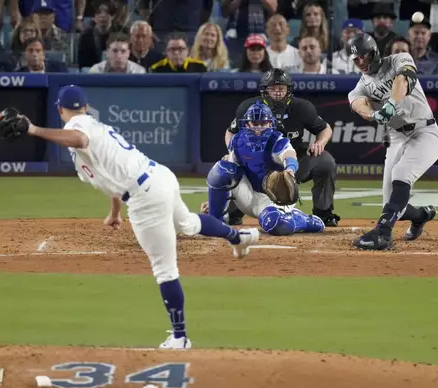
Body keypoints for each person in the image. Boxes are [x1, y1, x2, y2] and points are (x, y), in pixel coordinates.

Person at [20, 85, 260, 348]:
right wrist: (114, 213)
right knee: (189, 224)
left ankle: (180, 337)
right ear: (86, 106)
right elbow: (109, 174)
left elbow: (79, 139)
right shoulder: (94, 125)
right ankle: (239, 238)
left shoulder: (78, 125)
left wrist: (33, 130)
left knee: (165, 269)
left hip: (145, 196)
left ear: (59, 110)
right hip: (159, 177)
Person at [346, 33, 438, 250]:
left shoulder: (399, 59)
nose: (360, 62)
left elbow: (403, 78)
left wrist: (391, 104)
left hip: (425, 132)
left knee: (401, 175)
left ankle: (382, 234)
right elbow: (358, 103)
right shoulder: (361, 85)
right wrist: (372, 115)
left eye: (363, 56)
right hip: (397, 138)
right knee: (390, 206)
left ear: (374, 52)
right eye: (356, 59)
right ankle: (421, 215)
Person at [222, 68, 341, 227]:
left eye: (281, 89)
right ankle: (230, 210)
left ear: (288, 90)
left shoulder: (301, 107)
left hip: (292, 162)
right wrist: (232, 153)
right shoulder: (249, 108)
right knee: (225, 170)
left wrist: (320, 143)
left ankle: (323, 213)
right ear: (264, 90)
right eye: (273, 88)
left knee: (325, 161)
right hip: (256, 162)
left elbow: (325, 128)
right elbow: (230, 132)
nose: (277, 93)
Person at [205, 101, 324, 236]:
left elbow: (290, 155)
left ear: (270, 124)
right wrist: (216, 201)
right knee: (222, 169)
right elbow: (230, 175)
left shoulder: (277, 141)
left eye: (263, 123)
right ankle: (215, 222)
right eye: (255, 124)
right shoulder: (237, 141)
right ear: (247, 124)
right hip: (247, 194)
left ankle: (302, 219)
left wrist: (290, 169)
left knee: (275, 225)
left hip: (274, 198)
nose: (259, 128)